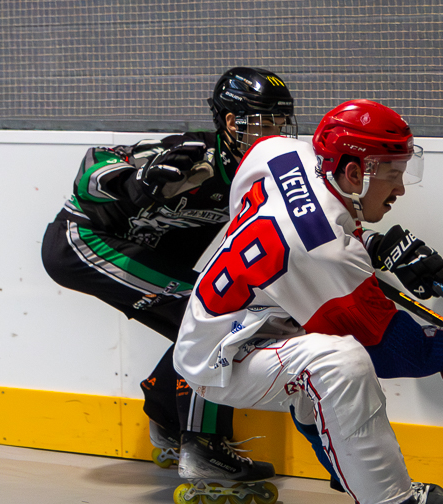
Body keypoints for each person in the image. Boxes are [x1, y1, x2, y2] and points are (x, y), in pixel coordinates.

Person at [172, 99, 443, 504]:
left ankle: (362, 483)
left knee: (322, 371)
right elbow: (396, 351)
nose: (401, 188)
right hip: (222, 361)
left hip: (236, 320)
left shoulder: (280, 153)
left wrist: (362, 241)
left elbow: (252, 203)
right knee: (343, 362)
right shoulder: (325, 251)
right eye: (393, 173)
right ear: (354, 170)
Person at [41, 67, 295, 480]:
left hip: (139, 254)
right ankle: (203, 446)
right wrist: (135, 183)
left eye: (281, 124)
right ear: (232, 122)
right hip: (84, 240)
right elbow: (93, 166)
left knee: (212, 318)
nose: (276, 134)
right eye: (264, 123)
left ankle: (167, 418)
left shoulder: (260, 177)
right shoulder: (193, 154)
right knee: (220, 314)